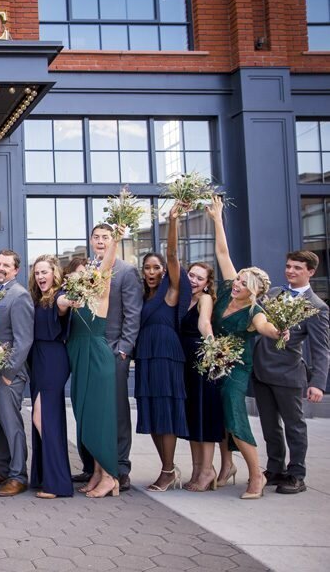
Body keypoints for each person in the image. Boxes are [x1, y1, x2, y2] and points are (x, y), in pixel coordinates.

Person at [206, 195, 287, 499]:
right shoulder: (227, 292)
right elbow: (223, 252)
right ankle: (228, 466)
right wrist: (217, 218)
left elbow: (267, 329)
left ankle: (257, 475)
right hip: (216, 362)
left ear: (253, 291)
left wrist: (278, 331)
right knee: (220, 414)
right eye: (238, 279)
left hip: (237, 369)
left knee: (234, 411)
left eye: (242, 282)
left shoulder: (255, 312)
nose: (236, 282)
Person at [253, 250, 329, 494]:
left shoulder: (316, 307)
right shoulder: (274, 293)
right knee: (269, 425)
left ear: (310, 271)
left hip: (289, 374)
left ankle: (297, 474)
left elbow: (321, 349)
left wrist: (318, 382)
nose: (291, 271)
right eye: (288, 266)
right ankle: (274, 468)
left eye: (297, 267)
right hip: (262, 371)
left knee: (294, 426)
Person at [73, 224, 142, 491]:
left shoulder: (126, 271)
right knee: (89, 409)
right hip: (86, 348)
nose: (100, 241)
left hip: (113, 350)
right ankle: (92, 466)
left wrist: (124, 348)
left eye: (106, 238)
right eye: (96, 237)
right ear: (90, 240)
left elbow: (133, 314)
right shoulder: (86, 268)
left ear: (114, 241)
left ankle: (120, 467)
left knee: (115, 411)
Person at [134, 203, 191, 491]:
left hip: (166, 354)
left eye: (157, 267)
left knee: (166, 411)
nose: (152, 271)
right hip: (146, 355)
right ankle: (167, 468)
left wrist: (172, 221)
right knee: (153, 412)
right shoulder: (142, 296)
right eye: (147, 267)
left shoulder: (172, 290)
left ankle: (168, 470)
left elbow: (172, 254)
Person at [66, 225, 125, 498]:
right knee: (86, 418)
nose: (87, 278)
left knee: (100, 419)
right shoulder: (76, 297)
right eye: (96, 237)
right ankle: (98, 473)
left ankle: (110, 476)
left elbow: (107, 266)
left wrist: (115, 241)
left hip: (97, 357)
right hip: (79, 358)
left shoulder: (100, 291)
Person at [0, 249, 34, 497]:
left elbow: (23, 340)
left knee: (11, 424)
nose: (0, 268)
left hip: (9, 372)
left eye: (6, 265)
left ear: (16, 270)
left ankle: (18, 475)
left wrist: (8, 373)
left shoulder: (19, 296)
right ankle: (3, 468)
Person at [179, 261, 229, 492]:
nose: (193, 280)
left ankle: (207, 470)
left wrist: (213, 354)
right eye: (191, 275)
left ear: (208, 283)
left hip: (202, 360)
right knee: (193, 416)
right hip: (186, 362)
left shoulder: (205, 299)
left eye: (199, 278)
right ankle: (197, 469)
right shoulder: (183, 298)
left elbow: (205, 324)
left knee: (205, 415)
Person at [27, 254, 73, 499]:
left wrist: (71, 299)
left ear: (54, 273)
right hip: (38, 359)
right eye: (37, 273)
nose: (40, 277)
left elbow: (65, 303)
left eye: (44, 272)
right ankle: (45, 476)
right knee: (45, 417)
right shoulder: (38, 298)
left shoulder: (59, 296)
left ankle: (58, 483)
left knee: (42, 417)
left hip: (53, 358)